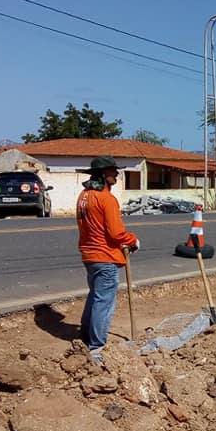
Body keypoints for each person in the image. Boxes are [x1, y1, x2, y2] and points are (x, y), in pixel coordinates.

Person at [75, 156, 139, 364]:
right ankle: (97, 348)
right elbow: (116, 233)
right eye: (113, 171)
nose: (117, 175)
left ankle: (85, 336)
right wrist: (133, 240)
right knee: (104, 302)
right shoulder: (107, 199)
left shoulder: (84, 195)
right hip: (105, 257)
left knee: (95, 296)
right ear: (103, 174)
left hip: (89, 255)